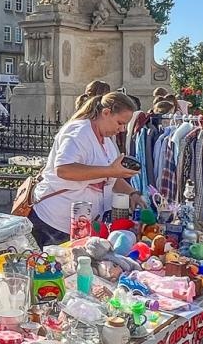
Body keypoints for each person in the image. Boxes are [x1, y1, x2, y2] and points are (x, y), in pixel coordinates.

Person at [28, 91, 139, 246]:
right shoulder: (78, 132)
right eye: (120, 123)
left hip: (79, 224)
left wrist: (132, 193)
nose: (122, 129)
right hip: (54, 223)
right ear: (106, 113)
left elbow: (110, 176)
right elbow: (64, 169)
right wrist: (110, 171)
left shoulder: (107, 140)